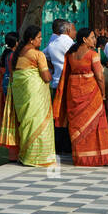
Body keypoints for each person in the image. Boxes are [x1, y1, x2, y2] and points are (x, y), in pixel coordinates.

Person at [52, 26, 108, 166]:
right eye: (92, 37)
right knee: (95, 124)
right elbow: (99, 77)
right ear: (85, 40)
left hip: (73, 92)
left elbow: (66, 74)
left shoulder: (70, 54)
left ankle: (81, 157)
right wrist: (103, 93)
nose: (95, 40)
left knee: (77, 125)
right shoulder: (93, 55)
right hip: (90, 92)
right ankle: (97, 157)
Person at [0, 25, 55, 167]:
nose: (41, 40)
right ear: (31, 40)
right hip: (35, 95)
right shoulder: (38, 54)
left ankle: (24, 155)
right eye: (39, 37)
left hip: (20, 95)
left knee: (26, 123)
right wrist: (51, 74)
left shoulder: (18, 54)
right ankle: (37, 157)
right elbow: (46, 77)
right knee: (37, 122)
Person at [44, 18, 76, 155]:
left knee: (57, 115)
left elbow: (44, 56)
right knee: (70, 115)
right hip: (69, 82)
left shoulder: (52, 44)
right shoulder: (71, 44)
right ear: (68, 30)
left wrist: (54, 68)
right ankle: (68, 145)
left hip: (56, 82)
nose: (75, 32)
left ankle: (58, 145)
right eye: (74, 30)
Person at [0, 31, 21, 161]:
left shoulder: (5, 55)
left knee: (10, 118)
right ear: (16, 42)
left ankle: (13, 154)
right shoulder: (13, 56)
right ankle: (16, 153)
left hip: (5, 87)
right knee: (15, 119)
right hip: (11, 88)